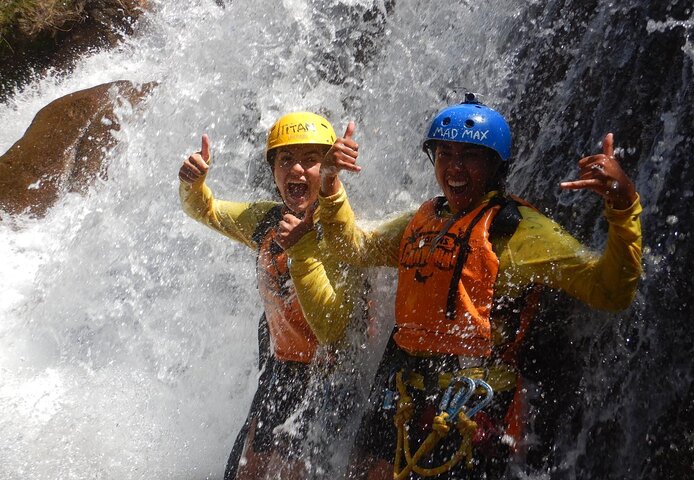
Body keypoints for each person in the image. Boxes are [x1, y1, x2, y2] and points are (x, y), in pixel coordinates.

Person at [294, 93, 643, 479]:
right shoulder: (424, 219)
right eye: (445, 154)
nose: (455, 168)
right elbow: (352, 247)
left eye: (470, 156)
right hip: (402, 384)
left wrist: (623, 206)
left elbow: (610, 292)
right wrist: (328, 184)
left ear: (495, 165)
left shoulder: (523, 232)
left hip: (471, 402)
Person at [178, 111, 365, 479]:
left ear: (329, 169)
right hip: (282, 372)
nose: (297, 170)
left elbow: (332, 330)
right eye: (286, 160)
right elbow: (207, 210)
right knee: (245, 472)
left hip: (330, 379)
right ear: (274, 171)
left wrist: (302, 252)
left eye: (311, 160)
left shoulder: (342, 234)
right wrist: (194, 184)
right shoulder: (266, 220)